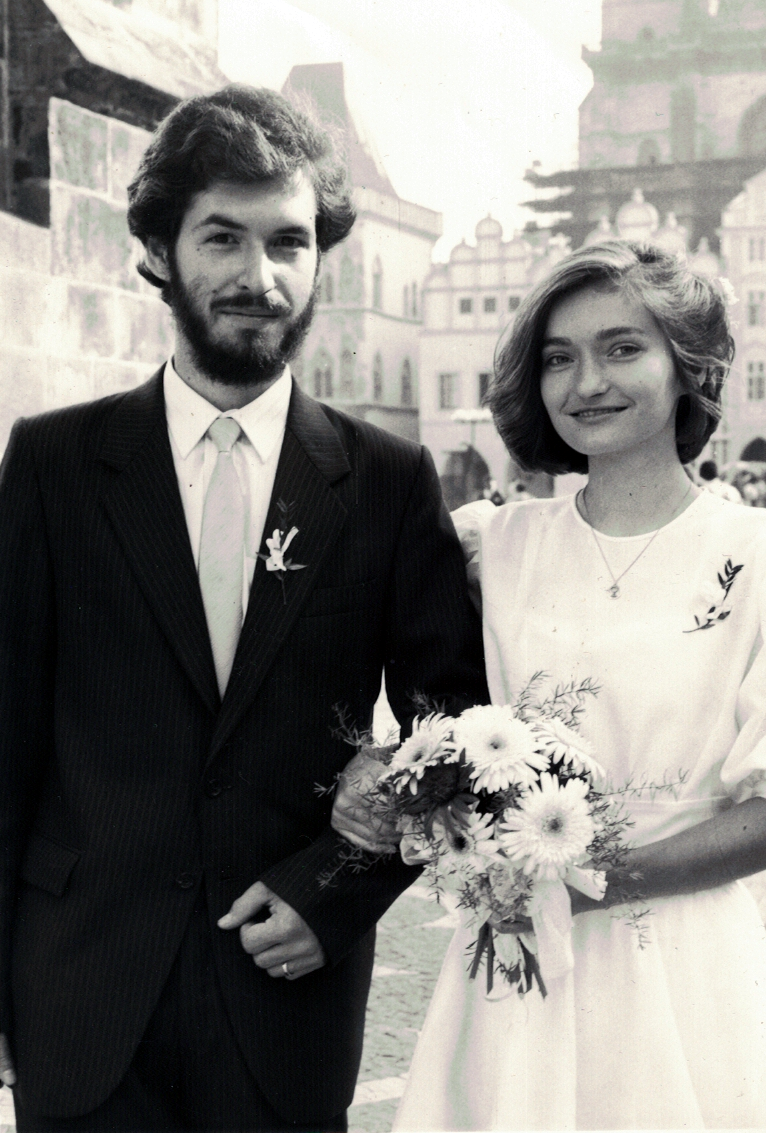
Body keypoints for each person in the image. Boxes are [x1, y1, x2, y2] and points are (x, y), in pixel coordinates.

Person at [0, 85, 487, 1133]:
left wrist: (336, 889)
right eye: (222, 236)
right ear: (158, 249)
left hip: (285, 1000)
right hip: (77, 992)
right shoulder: (50, 462)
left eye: (288, 242)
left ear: (319, 260)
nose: (259, 276)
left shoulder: (388, 480)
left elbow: (453, 725)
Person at [333, 241, 766, 1129]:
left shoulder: (751, 557)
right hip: (515, 947)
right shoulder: (493, 544)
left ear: (689, 366)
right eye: (559, 358)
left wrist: (588, 878)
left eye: (622, 348)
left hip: (681, 957)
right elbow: (430, 702)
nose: (586, 383)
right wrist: (379, 767)